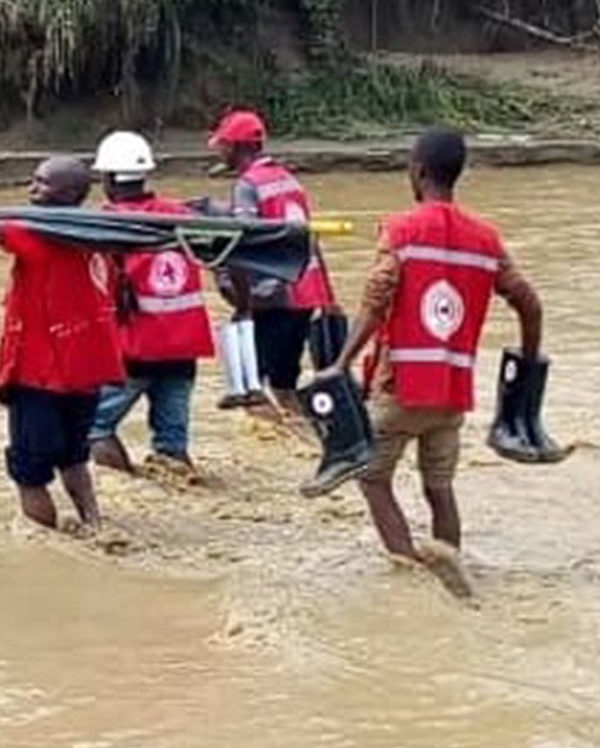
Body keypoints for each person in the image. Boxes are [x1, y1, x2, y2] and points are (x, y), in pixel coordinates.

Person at [313, 127, 547, 576]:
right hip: (452, 394)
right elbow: (530, 304)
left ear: (417, 170)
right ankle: (449, 569)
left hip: (399, 387)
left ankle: (409, 574)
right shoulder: (486, 240)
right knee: (440, 489)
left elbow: (375, 301)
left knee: (373, 479)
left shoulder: (402, 231)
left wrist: (339, 365)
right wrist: (527, 370)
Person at [0, 157, 124, 533]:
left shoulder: (38, 237)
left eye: (42, 183)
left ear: (69, 194)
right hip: (83, 376)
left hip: (41, 378)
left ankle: (47, 542)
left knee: (30, 472)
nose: (31, 188)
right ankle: (95, 525)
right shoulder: (97, 235)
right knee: (74, 458)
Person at [86, 130, 214, 477]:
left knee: (93, 428)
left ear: (108, 177)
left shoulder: (101, 224)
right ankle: (181, 492)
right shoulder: (181, 217)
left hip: (133, 351)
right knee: (172, 446)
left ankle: (133, 490)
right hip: (184, 350)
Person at [207, 108, 339, 405]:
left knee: (256, 390)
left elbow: (244, 248)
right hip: (304, 295)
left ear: (238, 147)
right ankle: (304, 437)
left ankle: (298, 442)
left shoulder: (247, 186)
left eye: (224, 145)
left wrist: (242, 306)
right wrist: (328, 298)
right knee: (283, 383)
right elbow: (310, 239)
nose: (221, 152)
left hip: (274, 298)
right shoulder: (288, 179)